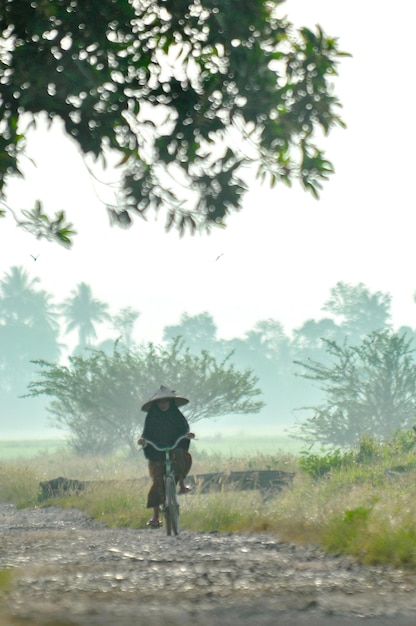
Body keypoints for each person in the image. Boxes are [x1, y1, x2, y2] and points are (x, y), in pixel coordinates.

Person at [138, 385, 194, 528]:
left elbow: (184, 430)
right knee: (157, 482)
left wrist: (188, 435)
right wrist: (143, 441)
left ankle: (181, 484)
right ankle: (156, 516)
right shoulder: (152, 416)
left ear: (170, 402)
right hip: (156, 451)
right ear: (156, 403)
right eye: (160, 402)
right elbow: (146, 433)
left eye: (166, 402)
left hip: (174, 447)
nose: (163, 404)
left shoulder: (176, 415)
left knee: (182, 456)